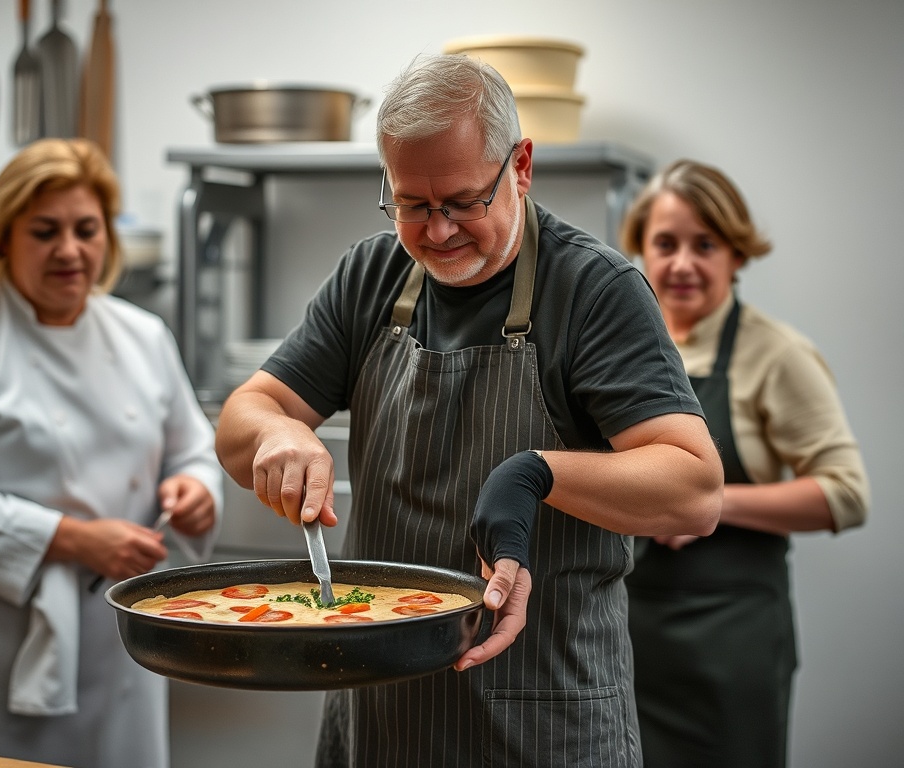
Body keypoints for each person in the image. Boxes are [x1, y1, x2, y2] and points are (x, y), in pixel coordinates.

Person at [216, 54, 723, 767]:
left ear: (520, 167)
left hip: (541, 718)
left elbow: (695, 490)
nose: (438, 231)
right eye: (411, 206)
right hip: (381, 715)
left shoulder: (593, 291)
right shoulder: (371, 275)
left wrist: (535, 473)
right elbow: (246, 413)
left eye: (461, 201)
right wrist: (275, 432)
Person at [0, 138, 223, 767]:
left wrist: (197, 492)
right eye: (45, 231)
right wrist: (72, 538)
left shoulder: (142, 335)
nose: (70, 250)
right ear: (4, 237)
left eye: (86, 229)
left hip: (118, 643)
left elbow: (192, 451)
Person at [619, 159, 870, 768]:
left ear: (737, 253)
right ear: (641, 251)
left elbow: (846, 495)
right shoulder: (624, 350)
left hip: (728, 648)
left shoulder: (776, 354)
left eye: (705, 245)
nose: (682, 264)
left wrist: (708, 502)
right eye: (665, 244)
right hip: (625, 637)